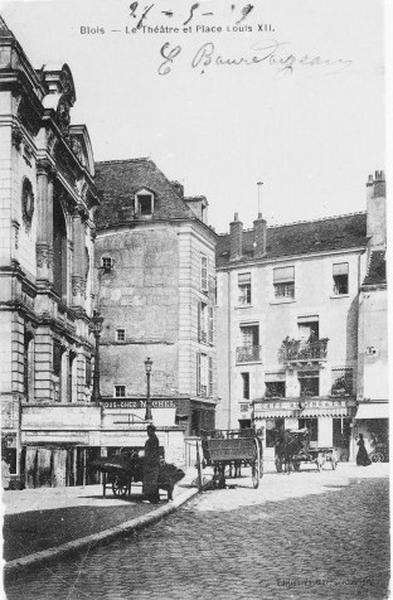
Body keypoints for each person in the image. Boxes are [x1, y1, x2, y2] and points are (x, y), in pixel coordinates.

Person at [143, 424, 161, 503]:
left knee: (151, 481)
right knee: (153, 481)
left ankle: (152, 499)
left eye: (148, 431)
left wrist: (147, 460)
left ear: (151, 431)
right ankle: (154, 499)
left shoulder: (152, 440)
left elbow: (151, 452)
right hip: (153, 462)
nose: (147, 432)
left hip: (152, 463)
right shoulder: (153, 439)